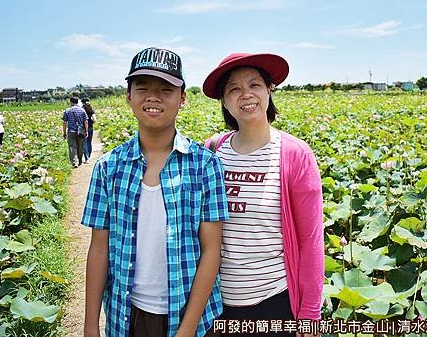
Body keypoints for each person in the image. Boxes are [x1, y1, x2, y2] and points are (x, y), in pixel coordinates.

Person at [82, 47, 228, 337]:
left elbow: (211, 250)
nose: (153, 97)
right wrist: (90, 326)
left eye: (166, 89)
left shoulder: (205, 165)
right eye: (143, 88)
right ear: (128, 97)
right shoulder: (108, 167)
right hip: (127, 315)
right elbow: (99, 248)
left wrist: (186, 330)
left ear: (183, 98)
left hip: (192, 316)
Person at [202, 53, 323, 337]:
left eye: (254, 85)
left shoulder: (295, 154)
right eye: (233, 88)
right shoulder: (212, 151)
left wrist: (310, 313)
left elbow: (311, 241)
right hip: (217, 303)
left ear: (269, 90)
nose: (246, 94)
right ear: (224, 101)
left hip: (273, 303)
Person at [62, 96, 88, 168]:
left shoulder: (67, 110)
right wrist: (86, 131)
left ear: (71, 102)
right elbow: (86, 121)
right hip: (81, 131)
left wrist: (64, 132)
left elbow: (64, 122)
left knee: (72, 147)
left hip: (71, 131)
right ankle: (80, 160)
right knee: (80, 146)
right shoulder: (82, 110)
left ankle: (74, 162)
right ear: (77, 102)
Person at [81, 98, 96, 163]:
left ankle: (86, 158)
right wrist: (91, 122)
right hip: (90, 127)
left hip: (83, 128)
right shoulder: (91, 110)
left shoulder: (81, 110)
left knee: (84, 143)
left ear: (83, 103)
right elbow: (95, 119)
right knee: (89, 142)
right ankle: (89, 156)